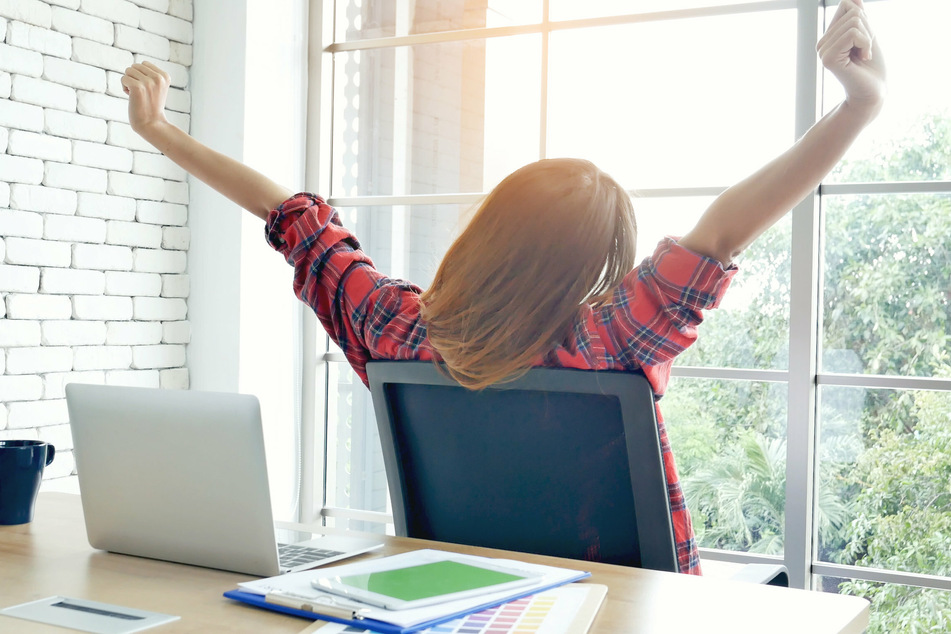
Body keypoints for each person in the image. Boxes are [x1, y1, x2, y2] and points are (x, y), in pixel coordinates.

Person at [121, 0, 885, 575]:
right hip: (633, 614)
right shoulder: (611, 339)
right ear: (597, 264)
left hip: (467, 601)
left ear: (487, 229)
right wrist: (859, 104)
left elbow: (289, 213)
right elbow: (723, 229)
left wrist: (162, 133)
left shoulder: (394, 327)